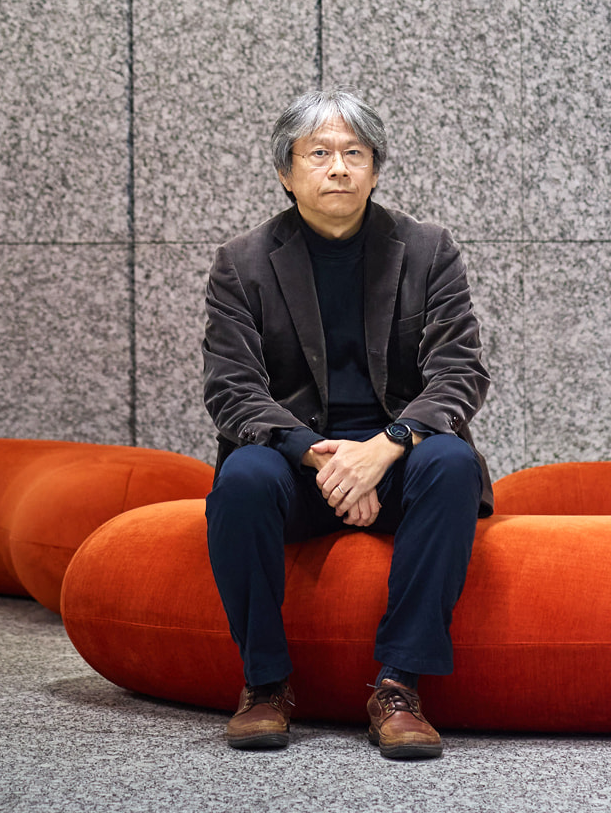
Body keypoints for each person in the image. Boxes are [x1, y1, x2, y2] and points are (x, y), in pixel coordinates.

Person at [201, 89, 491, 760]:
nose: (338, 168)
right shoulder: (242, 262)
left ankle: (399, 687)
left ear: (375, 169)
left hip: (397, 459)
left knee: (451, 464)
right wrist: (322, 458)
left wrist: (386, 447)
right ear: (286, 172)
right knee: (241, 478)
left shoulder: (428, 249)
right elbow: (231, 389)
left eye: (354, 153)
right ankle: (265, 684)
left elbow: (460, 373)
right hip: (296, 462)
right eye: (319, 154)